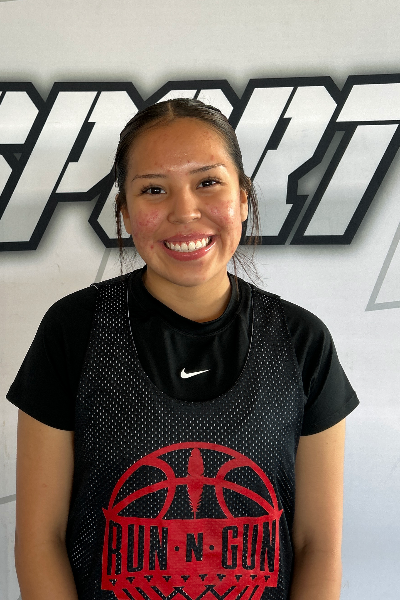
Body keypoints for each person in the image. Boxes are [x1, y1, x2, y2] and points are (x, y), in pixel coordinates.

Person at [8, 98, 358, 600]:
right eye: (154, 189)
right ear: (125, 214)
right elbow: (40, 540)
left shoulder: (301, 341)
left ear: (243, 198)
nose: (185, 212)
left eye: (207, 182)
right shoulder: (74, 331)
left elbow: (317, 545)